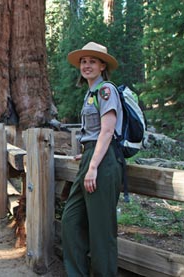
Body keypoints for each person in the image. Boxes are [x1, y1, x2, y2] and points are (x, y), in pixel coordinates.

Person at [61, 42, 124, 276]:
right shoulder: (90, 93)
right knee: (70, 221)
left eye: (92, 61)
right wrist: (87, 153)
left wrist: (94, 164)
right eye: (83, 61)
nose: (86, 65)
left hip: (104, 163)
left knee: (101, 230)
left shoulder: (106, 90)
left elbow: (107, 131)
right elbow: (95, 134)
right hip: (92, 157)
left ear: (102, 65)